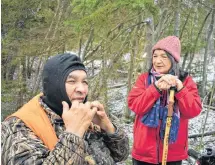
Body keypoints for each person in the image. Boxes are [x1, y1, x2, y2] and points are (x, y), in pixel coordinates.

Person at [1, 53, 129, 165]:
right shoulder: (17, 126)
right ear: (53, 85)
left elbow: (120, 155)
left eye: (84, 82)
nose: (82, 89)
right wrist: (74, 134)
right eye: (72, 81)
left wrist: (108, 128)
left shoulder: (88, 115)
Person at [128, 36, 202, 165]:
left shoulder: (185, 81)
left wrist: (180, 89)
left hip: (172, 154)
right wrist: (155, 89)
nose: (158, 61)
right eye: (155, 56)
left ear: (173, 59)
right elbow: (135, 106)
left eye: (164, 56)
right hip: (144, 153)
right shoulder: (144, 79)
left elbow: (193, 111)